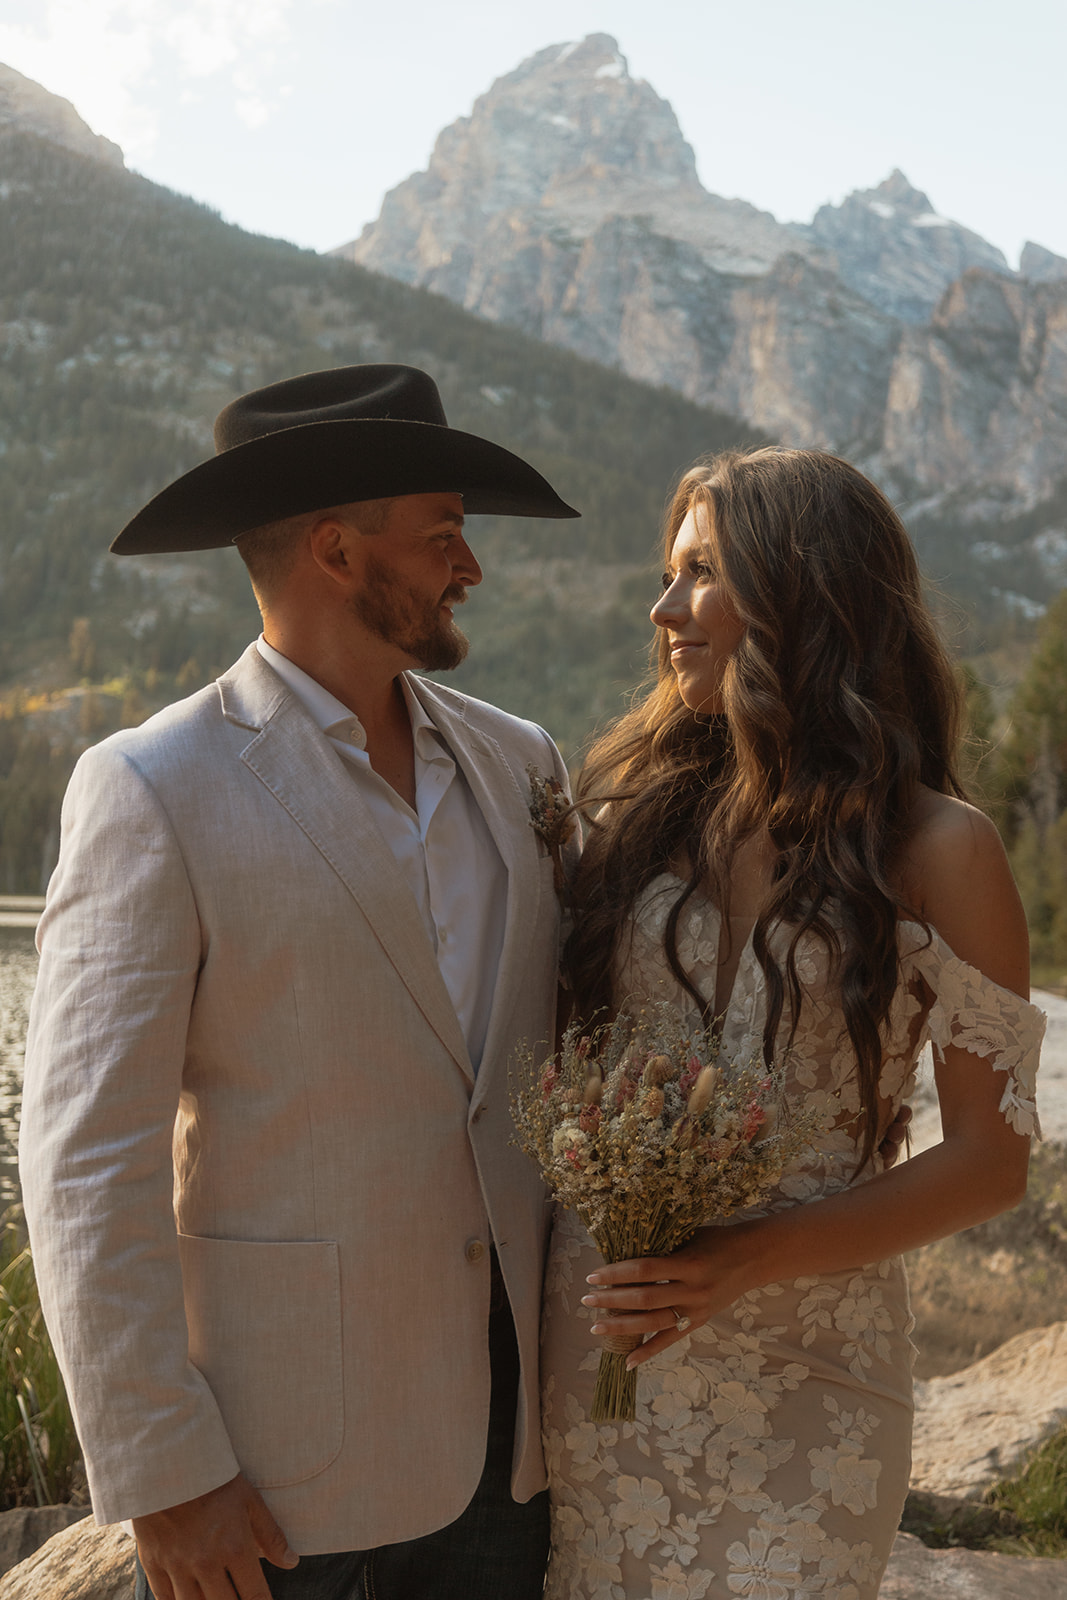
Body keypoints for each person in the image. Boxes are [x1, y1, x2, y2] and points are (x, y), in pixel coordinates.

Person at [19, 363, 581, 1600]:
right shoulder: (153, 787)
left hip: (511, 1449)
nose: (468, 567)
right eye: (444, 536)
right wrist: (163, 1469)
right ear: (336, 547)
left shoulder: (519, 760)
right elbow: (82, 1157)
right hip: (277, 1476)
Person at [539, 447, 1044, 1599]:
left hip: (813, 1375)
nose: (663, 609)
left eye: (701, 572)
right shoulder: (624, 822)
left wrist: (734, 1262)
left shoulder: (939, 848)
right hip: (606, 1357)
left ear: (807, 589)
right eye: (669, 575)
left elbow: (986, 1161)